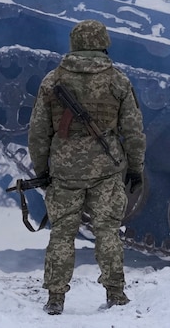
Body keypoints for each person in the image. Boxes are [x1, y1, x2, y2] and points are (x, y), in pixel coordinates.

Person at [27, 19, 146, 315]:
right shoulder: (118, 80)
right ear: (104, 42)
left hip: (65, 170)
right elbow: (133, 130)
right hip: (106, 169)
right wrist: (135, 167)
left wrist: (41, 169)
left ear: (74, 43)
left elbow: (38, 132)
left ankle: (55, 297)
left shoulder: (52, 81)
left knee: (62, 233)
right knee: (107, 231)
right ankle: (116, 293)